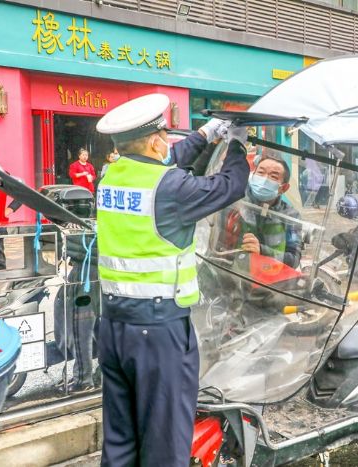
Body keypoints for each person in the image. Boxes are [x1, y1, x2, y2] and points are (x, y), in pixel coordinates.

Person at [95, 93, 249, 467]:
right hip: (159, 333)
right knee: (164, 444)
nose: (168, 142)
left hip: (114, 328)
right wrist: (239, 146)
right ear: (153, 141)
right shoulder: (171, 189)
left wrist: (206, 134)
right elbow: (230, 186)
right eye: (165, 135)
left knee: (120, 442)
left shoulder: (110, 176)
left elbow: (165, 166)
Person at [224, 156, 303, 269]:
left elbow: (294, 260)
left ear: (284, 188)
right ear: (252, 175)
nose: (264, 179)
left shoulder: (290, 216)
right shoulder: (234, 200)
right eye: (260, 173)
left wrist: (262, 250)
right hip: (228, 274)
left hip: (267, 281)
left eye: (273, 176)